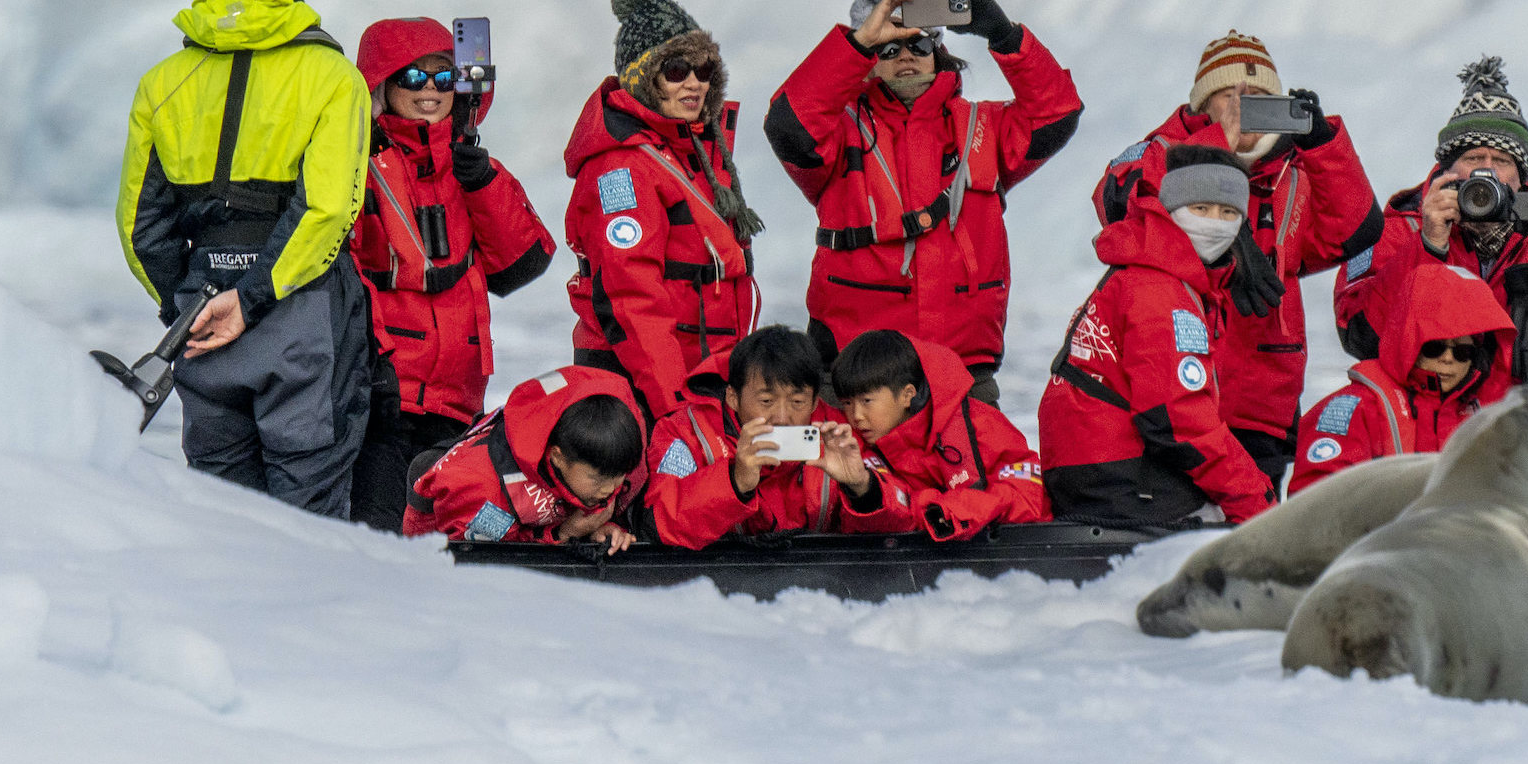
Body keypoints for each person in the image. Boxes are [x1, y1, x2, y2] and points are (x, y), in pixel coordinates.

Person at [116, 0, 374, 518]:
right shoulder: (334, 78)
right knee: (309, 510)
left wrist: (185, 301)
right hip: (302, 314)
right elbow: (329, 206)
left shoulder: (163, 82)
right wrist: (256, 296)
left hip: (200, 314)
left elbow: (139, 225)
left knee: (222, 511)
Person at [764, 0, 1081, 404]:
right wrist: (855, 44)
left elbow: (1058, 113)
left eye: (919, 43)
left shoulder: (983, 130)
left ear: (939, 49)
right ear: (869, 58)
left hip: (961, 381)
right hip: (855, 383)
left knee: (988, 477)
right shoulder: (837, 133)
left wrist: (1003, 34)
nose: (906, 56)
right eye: (888, 48)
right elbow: (788, 125)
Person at [1092, 31, 1380, 494]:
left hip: (1262, 397)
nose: (1244, 106)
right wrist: (1216, 146)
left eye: (1261, 98)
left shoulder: (1296, 171)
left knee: (1251, 523)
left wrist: (1324, 144)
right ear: (1204, 102)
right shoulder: (1161, 150)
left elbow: (1356, 231)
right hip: (1173, 385)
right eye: (1230, 95)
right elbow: (1115, 203)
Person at [1334, 57, 1528, 442]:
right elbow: (1360, 337)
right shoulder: (1400, 231)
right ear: (1448, 170)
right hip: (1419, 454)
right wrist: (1428, 247)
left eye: (1501, 160)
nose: (1487, 172)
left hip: (1512, 464)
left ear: (1521, 176)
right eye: (1472, 159)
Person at [346, 18, 557, 531]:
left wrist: (481, 181)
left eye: (444, 79)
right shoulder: (354, 165)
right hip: (385, 397)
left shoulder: (471, 166)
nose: (431, 92)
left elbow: (522, 264)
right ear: (380, 87)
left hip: (458, 400)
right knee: (377, 537)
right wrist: (372, 367)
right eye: (413, 79)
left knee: (443, 544)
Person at [1039, 146, 1275, 527]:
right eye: (1200, 209)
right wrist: (1259, 502)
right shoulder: (1159, 289)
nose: (1215, 224)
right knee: (1232, 529)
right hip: (1115, 476)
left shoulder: (1154, 270)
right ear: (1171, 209)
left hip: (1087, 466)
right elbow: (1177, 420)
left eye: (1228, 212)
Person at [563, 0, 763, 420]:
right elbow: (632, 302)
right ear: (643, 78)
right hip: (647, 390)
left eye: (704, 70)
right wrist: (676, 408)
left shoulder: (696, 150)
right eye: (676, 71)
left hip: (705, 376)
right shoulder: (623, 166)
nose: (694, 83)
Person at [1291, 262, 1528, 492]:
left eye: (1462, 351)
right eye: (1434, 347)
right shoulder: (1355, 411)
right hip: (1380, 544)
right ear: (1409, 341)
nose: (1448, 359)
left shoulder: (1487, 416)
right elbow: (1316, 505)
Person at [812, 329, 1050, 540]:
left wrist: (952, 511)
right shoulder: (849, 445)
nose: (857, 415)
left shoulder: (980, 425)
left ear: (907, 394)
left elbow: (1030, 492)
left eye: (867, 401)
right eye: (847, 403)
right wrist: (863, 489)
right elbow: (880, 522)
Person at [645, 325, 849, 547]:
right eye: (766, 401)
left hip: (816, 577)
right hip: (716, 577)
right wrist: (735, 481)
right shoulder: (686, 433)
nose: (781, 418)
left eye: (797, 402)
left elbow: (888, 537)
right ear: (733, 397)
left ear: (814, 402)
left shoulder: (839, 433)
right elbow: (655, 525)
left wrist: (862, 489)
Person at [402, 367, 644, 550]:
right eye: (599, 478)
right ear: (557, 457)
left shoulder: (615, 445)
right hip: (444, 550)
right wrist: (565, 533)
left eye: (618, 475)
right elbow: (488, 564)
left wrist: (608, 529)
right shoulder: (484, 489)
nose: (611, 488)